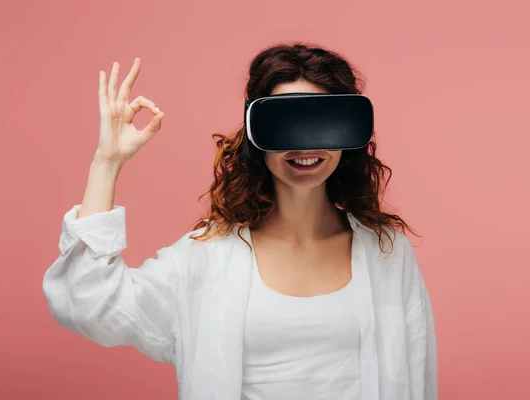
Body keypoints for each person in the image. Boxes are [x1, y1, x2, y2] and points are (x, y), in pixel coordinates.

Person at [42, 42, 438, 400]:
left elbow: (416, 375)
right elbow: (90, 305)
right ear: (254, 135)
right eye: (284, 125)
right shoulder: (207, 257)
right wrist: (106, 163)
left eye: (320, 122)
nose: (305, 146)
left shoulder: (387, 254)